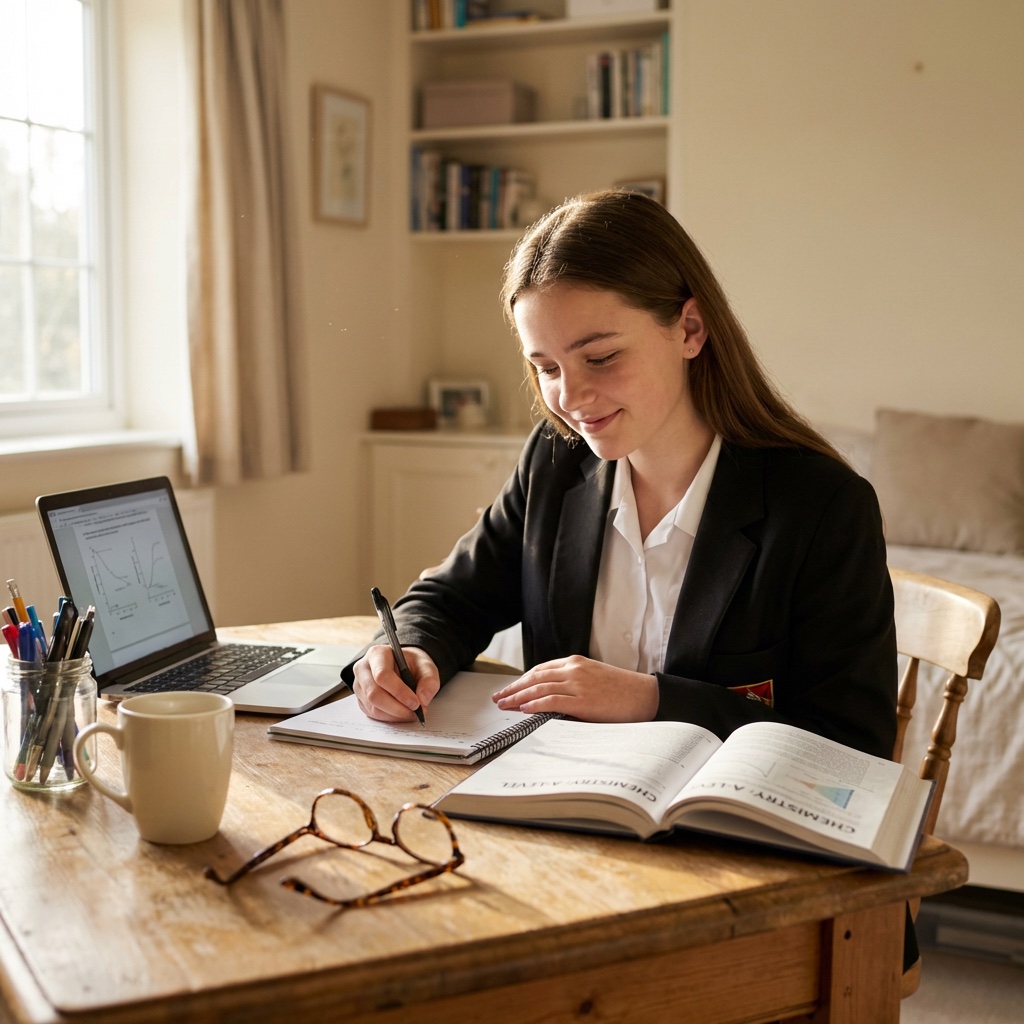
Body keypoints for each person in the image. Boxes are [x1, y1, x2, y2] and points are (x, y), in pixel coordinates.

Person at [347, 188, 897, 761]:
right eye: (546, 367)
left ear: (689, 329)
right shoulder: (554, 462)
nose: (571, 396)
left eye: (601, 357)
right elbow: (450, 598)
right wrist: (406, 649)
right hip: (552, 802)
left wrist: (651, 700)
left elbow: (854, 743)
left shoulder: (824, 507)